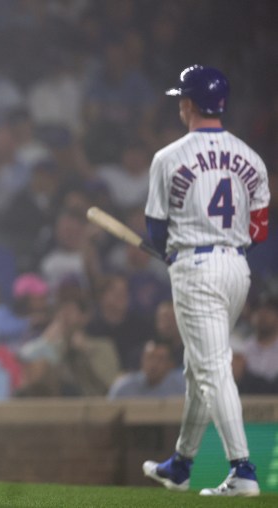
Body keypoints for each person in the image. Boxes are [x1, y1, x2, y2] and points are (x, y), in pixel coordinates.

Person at [142, 65, 270, 497]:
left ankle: (243, 470)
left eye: (182, 97)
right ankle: (181, 464)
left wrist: (172, 250)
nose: (180, 102)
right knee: (199, 367)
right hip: (237, 268)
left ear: (191, 103)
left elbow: (157, 229)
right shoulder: (252, 157)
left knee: (212, 368)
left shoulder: (168, 156)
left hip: (196, 268)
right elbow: (259, 230)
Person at [108, 340, 185, 399]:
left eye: (160, 359)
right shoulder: (123, 387)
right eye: (150, 358)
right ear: (141, 360)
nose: (154, 364)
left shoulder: (183, 386)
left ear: (171, 364)